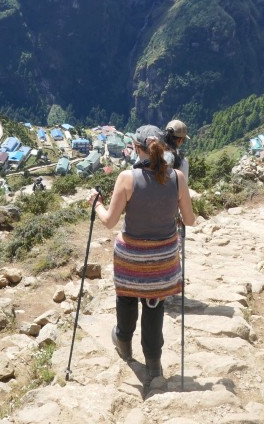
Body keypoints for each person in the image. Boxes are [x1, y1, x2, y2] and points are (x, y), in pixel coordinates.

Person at [87, 125, 196, 379]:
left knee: (126, 298)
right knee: (154, 304)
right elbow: (190, 220)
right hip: (163, 260)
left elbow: (109, 221)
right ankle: (154, 363)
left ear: (137, 148)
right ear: (163, 147)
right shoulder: (178, 177)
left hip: (131, 258)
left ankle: (124, 343)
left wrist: (96, 204)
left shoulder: (127, 178)